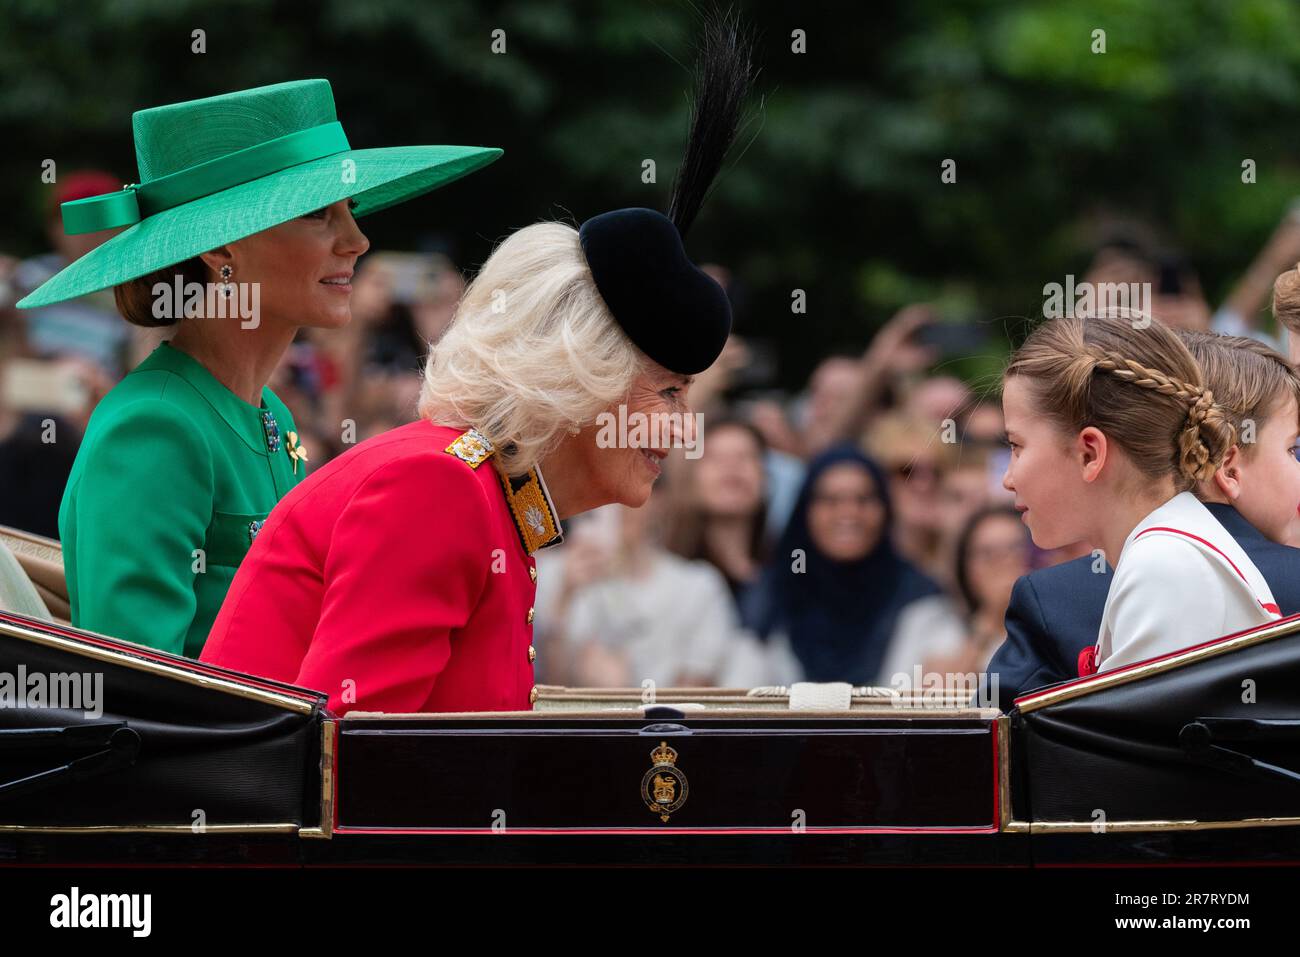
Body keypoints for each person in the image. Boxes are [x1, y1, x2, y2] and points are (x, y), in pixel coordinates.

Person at [201, 13, 758, 713]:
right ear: (578, 378)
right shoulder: (440, 489)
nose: (683, 430)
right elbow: (349, 768)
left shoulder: (492, 501)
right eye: (668, 394)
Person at [17, 78, 502, 657]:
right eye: (320, 213)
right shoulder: (153, 427)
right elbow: (142, 701)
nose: (357, 240)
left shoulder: (269, 412)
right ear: (223, 250)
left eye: (350, 210)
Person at [988, 329, 1300, 704]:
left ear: (1090, 453)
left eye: (1016, 446)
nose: (1007, 478)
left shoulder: (1164, 563)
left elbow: (1133, 760)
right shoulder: (1169, 548)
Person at [743, 445, 965, 687]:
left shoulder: (920, 598)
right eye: (831, 500)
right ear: (805, 511)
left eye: (864, 499)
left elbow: (941, 698)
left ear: (885, 510)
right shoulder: (771, 597)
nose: (849, 512)